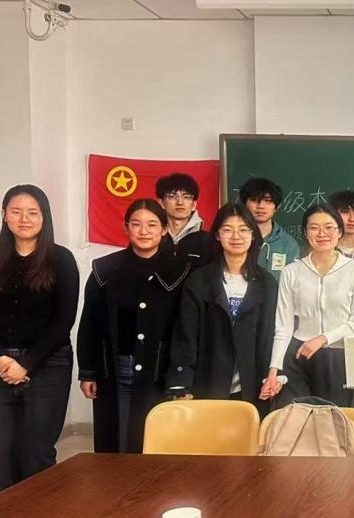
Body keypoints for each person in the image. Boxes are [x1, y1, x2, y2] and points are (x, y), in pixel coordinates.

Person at [0, 185, 78, 490]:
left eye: (33, 212)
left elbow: (63, 321)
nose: (24, 219)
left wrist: (26, 364)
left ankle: (36, 515)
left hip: (48, 365)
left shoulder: (61, 259)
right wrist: (0, 359)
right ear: (5, 215)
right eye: (16, 211)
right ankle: (13, 510)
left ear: (44, 217)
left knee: (35, 455)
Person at [77, 199, 191, 453]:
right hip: (116, 368)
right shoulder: (105, 269)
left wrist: (182, 377)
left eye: (152, 225)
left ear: (164, 229)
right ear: (126, 227)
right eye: (136, 224)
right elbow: (90, 323)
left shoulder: (181, 271)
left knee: (156, 443)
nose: (144, 231)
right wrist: (87, 372)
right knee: (118, 445)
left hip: (161, 371)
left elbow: (187, 329)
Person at [167, 203, 279, 410]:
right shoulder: (199, 281)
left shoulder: (267, 283)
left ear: (253, 235)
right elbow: (186, 336)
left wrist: (274, 376)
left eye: (243, 229)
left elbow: (271, 335)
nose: (236, 236)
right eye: (228, 229)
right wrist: (182, 384)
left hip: (253, 387)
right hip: (208, 383)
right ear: (217, 235)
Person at [271, 203, 354, 406]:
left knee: (332, 418)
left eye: (329, 227)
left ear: (339, 231)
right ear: (306, 233)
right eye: (314, 227)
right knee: (296, 416)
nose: (322, 233)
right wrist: (274, 370)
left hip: (337, 356)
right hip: (299, 354)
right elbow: (283, 326)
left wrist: (323, 338)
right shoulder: (291, 271)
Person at [238, 177, 301, 281]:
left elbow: (293, 283)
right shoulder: (235, 239)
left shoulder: (288, 245)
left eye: (268, 201)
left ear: (277, 206)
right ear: (244, 204)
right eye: (254, 200)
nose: (261, 206)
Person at [156, 172, 218, 271]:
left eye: (186, 197)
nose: (180, 202)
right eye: (172, 196)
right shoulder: (151, 237)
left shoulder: (208, 241)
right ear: (162, 203)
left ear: (194, 205)